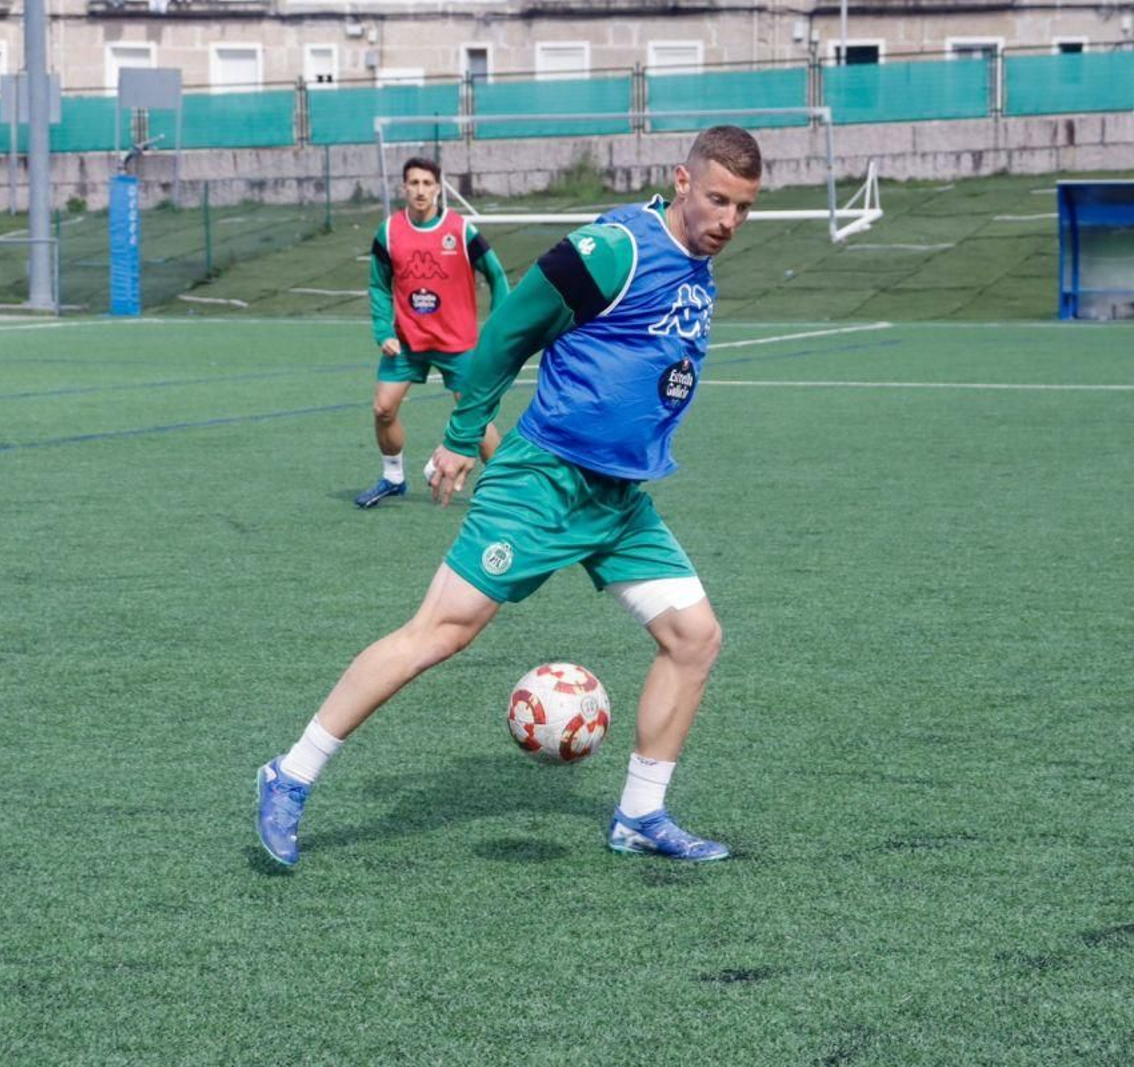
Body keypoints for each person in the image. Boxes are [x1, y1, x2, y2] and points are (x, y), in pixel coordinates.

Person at [258, 126, 764, 867]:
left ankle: (639, 814)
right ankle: (290, 772)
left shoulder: (696, 261)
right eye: (718, 199)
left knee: (695, 638)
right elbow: (504, 335)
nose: (729, 220)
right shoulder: (613, 249)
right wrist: (463, 436)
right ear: (681, 181)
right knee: (440, 632)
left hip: (617, 499)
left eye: (744, 208)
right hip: (545, 481)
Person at [355, 155, 510, 508]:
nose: (420, 190)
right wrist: (383, 331)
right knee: (382, 408)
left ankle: (508, 490)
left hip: (457, 343)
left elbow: (497, 275)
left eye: (427, 183)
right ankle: (393, 478)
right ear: (404, 188)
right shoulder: (389, 232)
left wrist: (498, 327)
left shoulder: (461, 230)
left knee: (477, 420)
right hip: (407, 341)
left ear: (438, 188)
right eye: (414, 183)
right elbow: (379, 285)